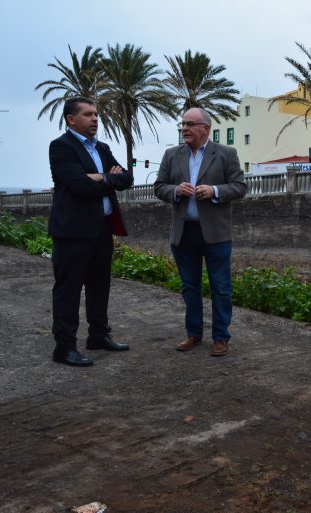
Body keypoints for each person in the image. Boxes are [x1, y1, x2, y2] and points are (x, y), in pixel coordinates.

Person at [154, 108, 246, 356]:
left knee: (221, 286)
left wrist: (215, 191)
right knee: (189, 287)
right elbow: (159, 186)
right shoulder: (172, 155)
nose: (184, 128)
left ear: (206, 128)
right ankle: (194, 334)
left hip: (216, 234)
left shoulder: (226, 154)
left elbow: (239, 186)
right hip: (184, 233)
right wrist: (175, 191)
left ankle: (220, 337)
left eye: (190, 124)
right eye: (182, 124)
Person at [48, 97, 134, 367]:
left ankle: (98, 336)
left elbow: (127, 178)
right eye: (88, 114)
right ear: (71, 119)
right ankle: (64, 348)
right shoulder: (61, 147)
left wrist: (100, 177)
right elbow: (79, 185)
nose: (95, 118)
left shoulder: (103, 148)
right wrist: (109, 177)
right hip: (72, 232)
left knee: (100, 287)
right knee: (68, 290)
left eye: (96, 114)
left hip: (101, 229)